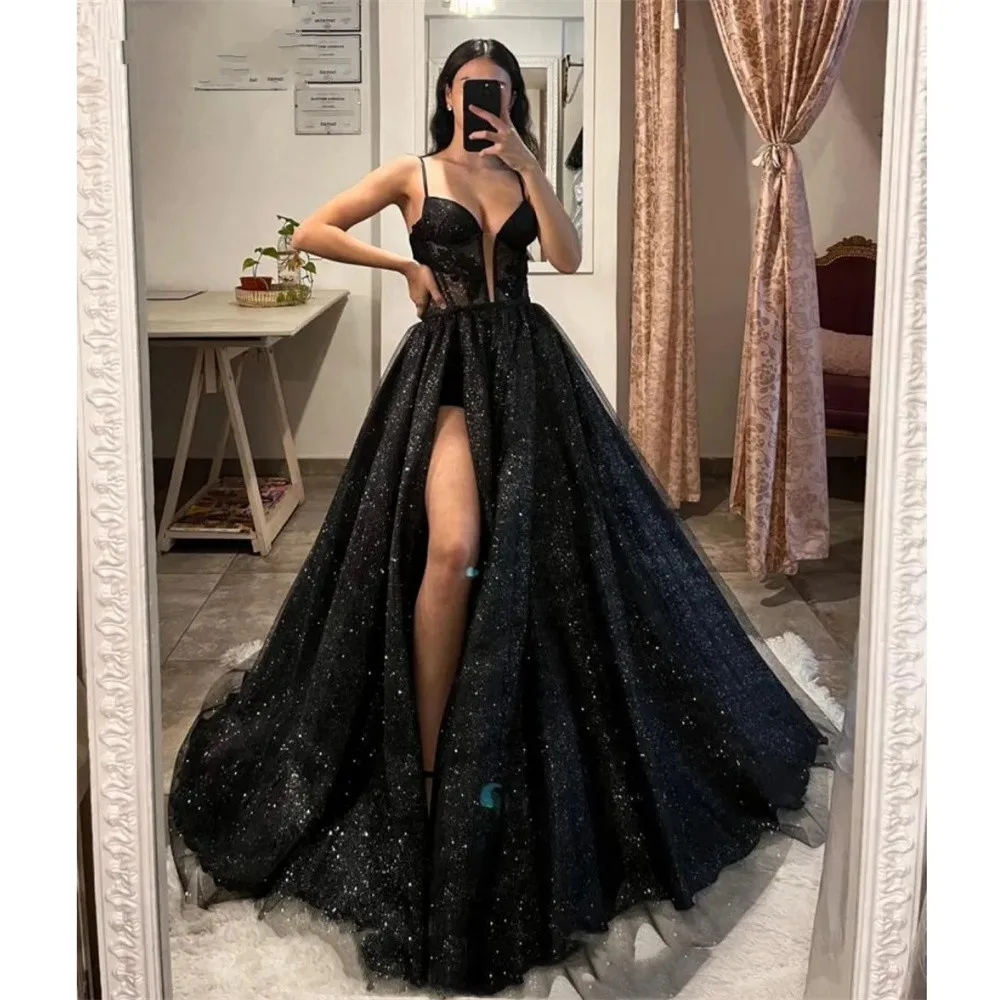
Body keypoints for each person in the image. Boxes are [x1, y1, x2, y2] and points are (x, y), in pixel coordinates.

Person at [168, 38, 824, 996]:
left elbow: (565, 255)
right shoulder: (412, 172)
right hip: (444, 376)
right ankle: (431, 768)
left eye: (504, 92)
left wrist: (530, 165)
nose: (488, 102)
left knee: (557, 555)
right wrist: (398, 265)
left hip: (528, 372)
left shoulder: (520, 169)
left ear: (515, 101)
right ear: (447, 93)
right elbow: (312, 230)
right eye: (475, 90)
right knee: (454, 550)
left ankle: (532, 721)